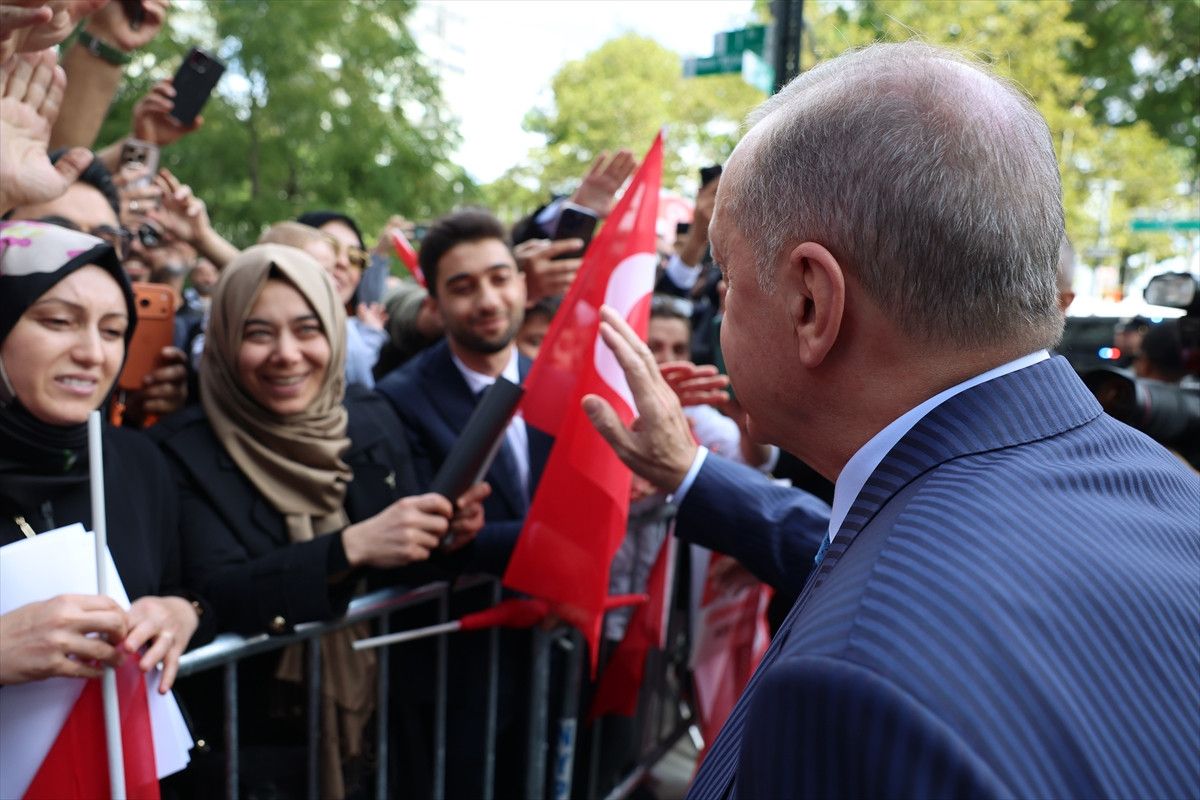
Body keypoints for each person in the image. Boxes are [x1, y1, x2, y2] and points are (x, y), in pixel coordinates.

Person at [583, 42, 1200, 799]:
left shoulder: (845, 692)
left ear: (812, 301)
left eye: (728, 276)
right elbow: (876, 550)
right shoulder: (1169, 494)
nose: (720, 306)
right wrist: (693, 476)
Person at [152, 243, 487, 799]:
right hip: (249, 753)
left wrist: (440, 534)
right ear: (225, 339)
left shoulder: (370, 417)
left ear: (334, 333)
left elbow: (392, 566)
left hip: (377, 729)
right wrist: (348, 547)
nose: (287, 354)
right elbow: (214, 591)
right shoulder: (176, 451)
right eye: (258, 334)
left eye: (307, 329)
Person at [375, 208, 553, 800]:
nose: (488, 299)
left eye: (500, 277)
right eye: (463, 286)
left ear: (523, 282)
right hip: (450, 675)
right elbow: (435, 545)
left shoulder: (560, 381)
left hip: (546, 660)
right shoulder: (400, 401)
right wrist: (564, 540)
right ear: (434, 300)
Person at [0, 220, 210, 694]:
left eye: (113, 331)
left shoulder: (137, 462)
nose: (93, 354)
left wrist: (180, 613)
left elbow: (183, 587)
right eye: (58, 321)